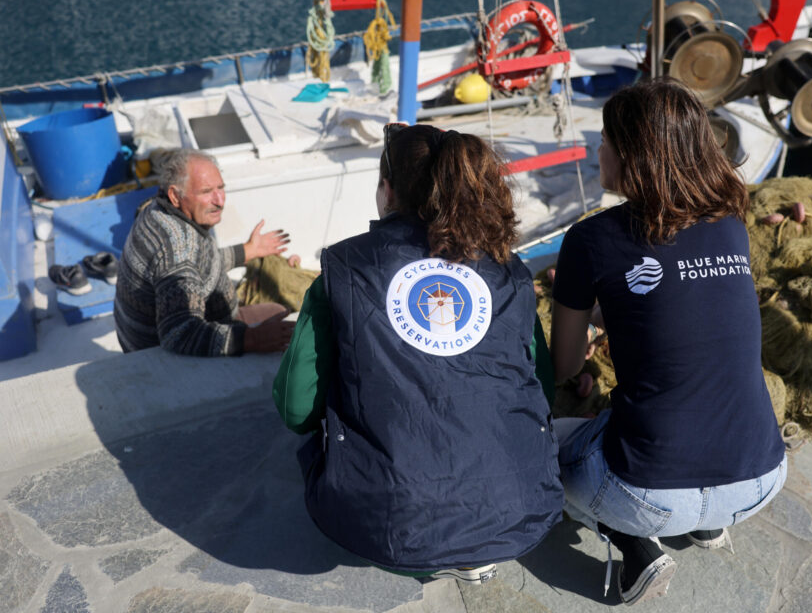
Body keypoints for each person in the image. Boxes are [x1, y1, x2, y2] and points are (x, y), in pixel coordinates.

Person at [273, 124, 563, 583]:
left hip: (383, 525)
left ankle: (443, 540)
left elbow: (296, 408)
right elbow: (540, 388)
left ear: (387, 191)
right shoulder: (511, 272)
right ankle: (470, 541)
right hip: (520, 509)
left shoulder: (344, 268)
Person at [549, 79, 786, 605]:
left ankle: (634, 544)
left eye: (606, 140)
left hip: (647, 494)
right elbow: (686, 305)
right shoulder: (730, 224)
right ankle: (708, 523)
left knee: (546, 441)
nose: (599, 150)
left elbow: (564, 366)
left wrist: (585, 325)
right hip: (762, 481)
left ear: (632, 154)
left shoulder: (591, 239)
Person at [114, 148, 294, 356]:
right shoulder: (178, 249)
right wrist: (251, 338)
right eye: (206, 192)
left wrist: (246, 251)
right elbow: (179, 334)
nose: (219, 201)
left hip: (143, 334)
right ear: (175, 195)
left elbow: (200, 261)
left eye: (221, 188)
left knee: (278, 315)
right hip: (162, 356)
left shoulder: (157, 208)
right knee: (284, 319)